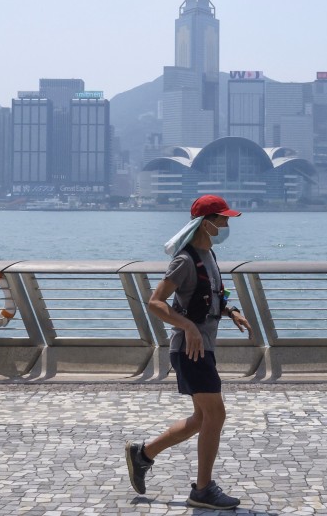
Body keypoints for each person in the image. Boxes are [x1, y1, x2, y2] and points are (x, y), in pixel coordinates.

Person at [125, 194, 253, 510]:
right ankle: (203, 489)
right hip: (190, 349)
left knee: (201, 418)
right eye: (222, 219)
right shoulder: (185, 260)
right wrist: (188, 327)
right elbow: (156, 303)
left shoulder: (208, 255)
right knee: (216, 413)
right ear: (205, 223)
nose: (226, 224)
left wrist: (231, 310)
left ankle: (143, 455)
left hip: (203, 346)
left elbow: (210, 297)